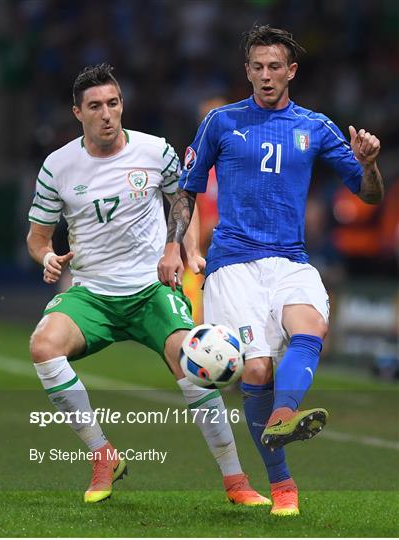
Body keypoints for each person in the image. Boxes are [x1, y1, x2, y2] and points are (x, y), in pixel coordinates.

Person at [158, 25, 383, 516]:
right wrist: (174, 247)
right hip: (232, 264)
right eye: (257, 67)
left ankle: (284, 414)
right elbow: (187, 190)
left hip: (290, 259)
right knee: (256, 369)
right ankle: (283, 485)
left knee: (313, 325)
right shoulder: (220, 122)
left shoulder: (316, 127)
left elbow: (369, 194)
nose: (265, 75)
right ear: (247, 71)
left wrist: (368, 165)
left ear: (291, 72)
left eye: (274, 67)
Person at [27, 63, 269, 506]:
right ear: (77, 112)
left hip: (151, 288)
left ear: (122, 105)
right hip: (92, 294)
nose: (107, 114)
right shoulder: (56, 167)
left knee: (196, 362)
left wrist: (183, 250)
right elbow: (37, 236)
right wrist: (46, 257)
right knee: (43, 347)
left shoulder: (155, 151)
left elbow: (184, 200)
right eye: (95, 106)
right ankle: (104, 456)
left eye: (113, 104)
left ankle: (236, 482)